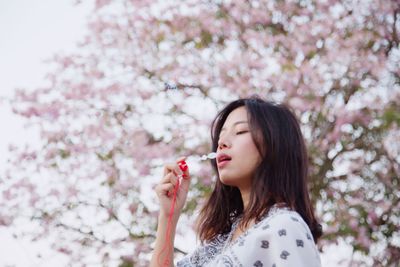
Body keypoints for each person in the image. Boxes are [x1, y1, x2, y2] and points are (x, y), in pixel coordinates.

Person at [150, 96, 323, 267]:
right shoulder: (219, 243)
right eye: (220, 137)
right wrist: (168, 216)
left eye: (240, 131)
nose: (222, 143)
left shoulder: (284, 226)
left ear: (275, 144)